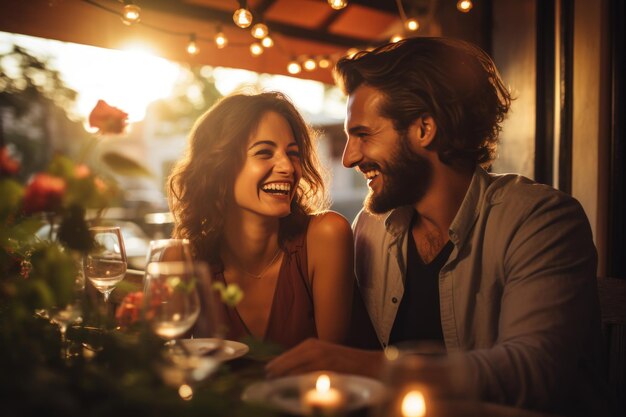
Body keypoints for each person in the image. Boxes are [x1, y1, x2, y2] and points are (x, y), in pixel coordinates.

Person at [265, 38, 609, 416]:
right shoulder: (371, 228)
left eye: (363, 134)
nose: (349, 158)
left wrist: (374, 368)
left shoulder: (541, 221)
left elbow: (532, 371)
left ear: (424, 128)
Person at [167, 92, 354, 350]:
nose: (288, 167)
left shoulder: (326, 236)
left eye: (293, 153)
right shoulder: (181, 260)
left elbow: (334, 363)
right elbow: (162, 367)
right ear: (219, 166)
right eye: (265, 152)